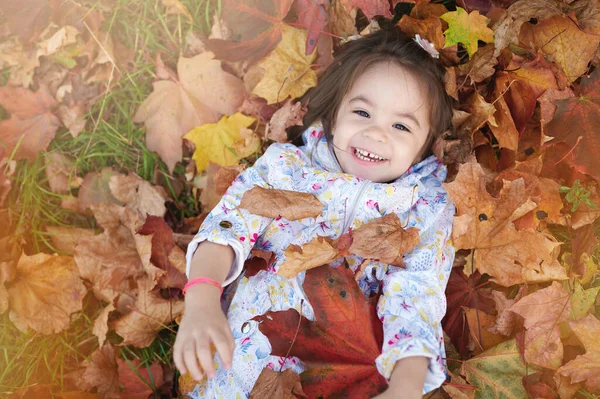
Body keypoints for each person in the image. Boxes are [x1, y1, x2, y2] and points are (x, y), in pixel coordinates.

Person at [174, 26, 456, 398]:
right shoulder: (286, 169)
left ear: (423, 146)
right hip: (239, 360)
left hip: (332, 378)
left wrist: (406, 384)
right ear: (334, 112)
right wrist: (202, 298)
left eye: (401, 125)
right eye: (362, 111)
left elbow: (419, 295)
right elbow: (229, 226)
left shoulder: (423, 210)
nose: (376, 133)